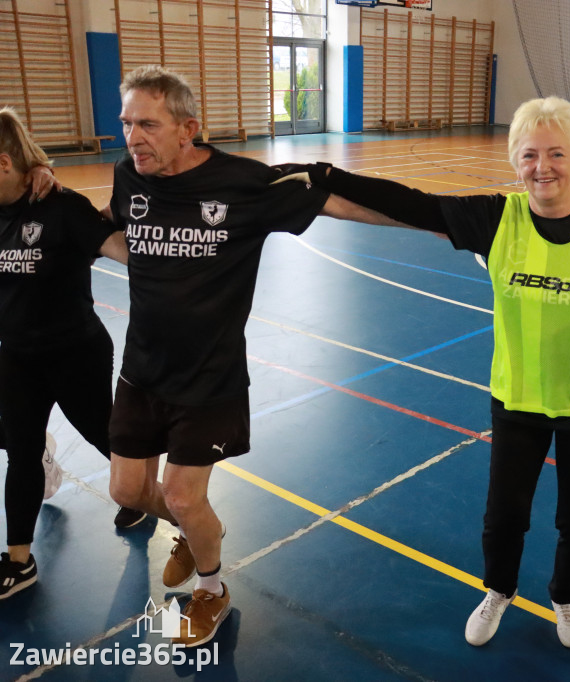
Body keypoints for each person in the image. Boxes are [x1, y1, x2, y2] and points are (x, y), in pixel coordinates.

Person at [270, 96, 570, 648]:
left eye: (556, 153)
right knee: (505, 514)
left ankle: (566, 598)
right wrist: (327, 175)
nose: (542, 167)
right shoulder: (496, 217)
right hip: (517, 398)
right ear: (515, 161)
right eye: (529, 155)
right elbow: (414, 205)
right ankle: (498, 591)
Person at [103, 65, 395, 646]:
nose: (133, 136)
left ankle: (212, 590)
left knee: (185, 494)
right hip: (141, 369)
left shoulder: (242, 184)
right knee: (127, 492)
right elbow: (121, 233)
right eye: (127, 123)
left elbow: (339, 205)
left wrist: (446, 228)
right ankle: (191, 530)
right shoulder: (128, 176)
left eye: (148, 124)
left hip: (210, 377)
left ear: (188, 129)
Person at [0, 107, 132, 599]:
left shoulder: (62, 208)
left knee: (108, 440)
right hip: (15, 354)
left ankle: (144, 499)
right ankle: (18, 560)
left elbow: (123, 249)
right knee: (20, 452)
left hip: (74, 352)